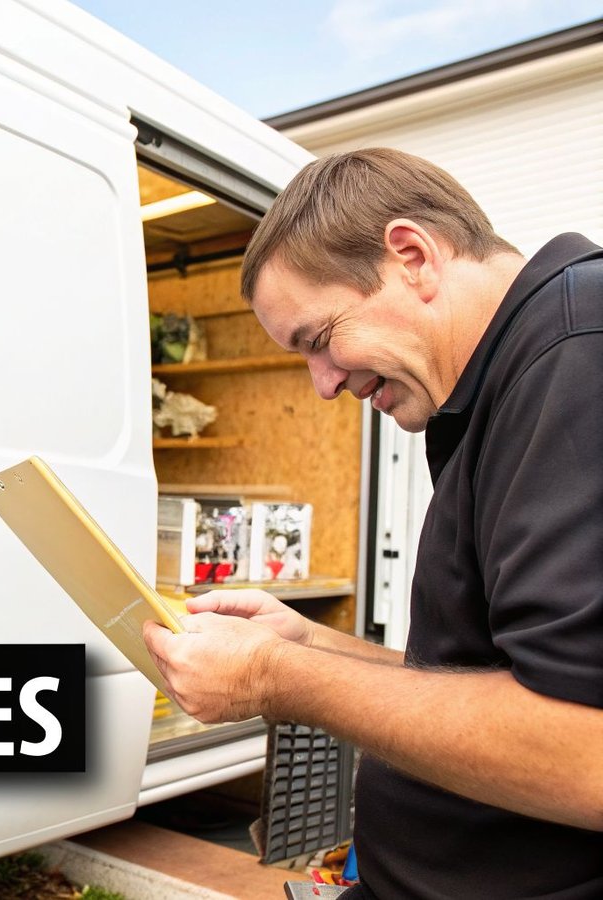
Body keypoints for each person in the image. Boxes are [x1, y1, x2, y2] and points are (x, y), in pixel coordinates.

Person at [143, 148, 603, 897]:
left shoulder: (577, 358)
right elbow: (494, 685)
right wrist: (311, 644)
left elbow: (585, 748)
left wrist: (275, 676)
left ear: (412, 257)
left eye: (320, 339)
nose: (324, 386)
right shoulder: (511, 378)